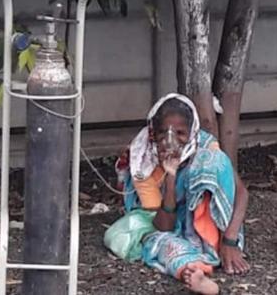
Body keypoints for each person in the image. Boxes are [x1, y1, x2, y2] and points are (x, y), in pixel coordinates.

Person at [104, 93, 249, 295]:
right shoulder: (143, 160)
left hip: (216, 231)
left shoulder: (206, 145)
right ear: (153, 133)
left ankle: (216, 244)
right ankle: (193, 270)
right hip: (167, 222)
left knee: (213, 162)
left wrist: (230, 240)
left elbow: (242, 193)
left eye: (180, 132)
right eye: (163, 132)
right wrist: (170, 177)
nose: (170, 140)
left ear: (192, 132)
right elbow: (165, 226)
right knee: (155, 240)